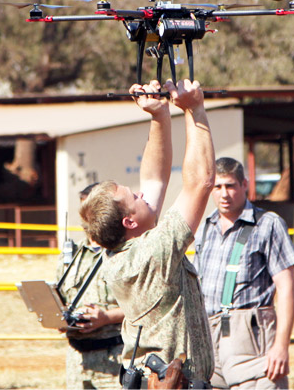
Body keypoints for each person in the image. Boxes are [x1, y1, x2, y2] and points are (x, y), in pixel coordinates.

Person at [79, 78, 216, 388]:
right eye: (134, 197)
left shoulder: (121, 249)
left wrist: (159, 116)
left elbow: (153, 179)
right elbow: (201, 183)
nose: (142, 195)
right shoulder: (152, 252)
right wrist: (195, 109)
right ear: (129, 221)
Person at [194, 157, 294, 389]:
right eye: (218, 187)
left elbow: (286, 287)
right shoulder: (204, 228)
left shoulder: (268, 224)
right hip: (208, 338)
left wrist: (281, 345)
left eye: (230, 186)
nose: (224, 194)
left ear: (245, 185)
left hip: (250, 337)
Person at [54, 183, 124, 389]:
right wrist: (59, 317)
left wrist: (106, 318)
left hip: (114, 360)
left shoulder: (124, 254)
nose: (87, 219)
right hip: (77, 361)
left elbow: (145, 307)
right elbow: (61, 298)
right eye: (83, 210)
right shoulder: (72, 255)